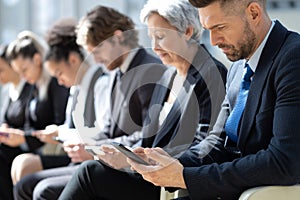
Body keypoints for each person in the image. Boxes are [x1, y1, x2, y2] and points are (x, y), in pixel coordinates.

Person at [97, 0, 300, 199]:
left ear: (253, 13)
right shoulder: (238, 68)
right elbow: (217, 141)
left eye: (220, 27)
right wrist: (168, 162)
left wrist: (186, 177)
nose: (213, 40)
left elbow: (283, 161)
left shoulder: (293, 58)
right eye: (208, 29)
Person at [58, 0, 228, 199]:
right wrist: (123, 153)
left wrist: (147, 161)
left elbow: (205, 144)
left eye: (161, 37)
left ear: (187, 32)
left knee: (89, 173)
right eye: (151, 38)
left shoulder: (211, 74)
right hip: (146, 173)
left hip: (170, 179)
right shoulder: (168, 76)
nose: (154, 47)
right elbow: (148, 137)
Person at [14, 5, 166, 200]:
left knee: (43, 190)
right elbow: (109, 129)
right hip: (108, 164)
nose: (95, 60)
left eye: (97, 51)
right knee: (26, 185)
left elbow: (149, 137)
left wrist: (95, 151)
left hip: (134, 173)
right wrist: (87, 146)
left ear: (118, 37)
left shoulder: (149, 71)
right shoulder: (114, 73)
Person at [11, 17, 110, 188]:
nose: (60, 81)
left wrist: (61, 134)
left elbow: (103, 133)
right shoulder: (75, 88)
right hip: (76, 157)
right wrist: (58, 133)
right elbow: (69, 126)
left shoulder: (101, 83)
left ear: (73, 60)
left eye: (59, 73)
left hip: (90, 160)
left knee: (29, 178)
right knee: (24, 177)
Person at [0, 31, 69, 199]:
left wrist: (24, 138)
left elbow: (61, 124)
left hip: (59, 150)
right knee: (19, 164)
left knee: (22, 164)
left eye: (24, 70)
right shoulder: (35, 85)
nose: (23, 76)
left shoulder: (55, 82)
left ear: (37, 60)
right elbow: (29, 126)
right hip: (39, 146)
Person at [0, 44, 34, 200]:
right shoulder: (7, 91)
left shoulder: (31, 88)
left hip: (24, 145)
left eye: (2, 70)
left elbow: (33, 123)